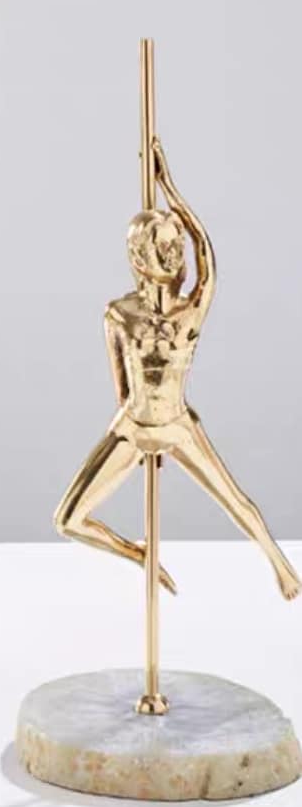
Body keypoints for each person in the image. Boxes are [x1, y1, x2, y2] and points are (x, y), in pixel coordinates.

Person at [54, 137, 300, 601]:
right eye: (163, 247)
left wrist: (169, 188)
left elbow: (208, 258)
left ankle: (281, 565)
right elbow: (122, 389)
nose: (173, 255)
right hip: (133, 429)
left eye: (175, 247)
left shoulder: (189, 314)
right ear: (139, 258)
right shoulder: (119, 315)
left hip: (178, 425)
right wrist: (134, 440)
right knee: (68, 520)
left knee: (235, 500)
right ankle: (139, 554)